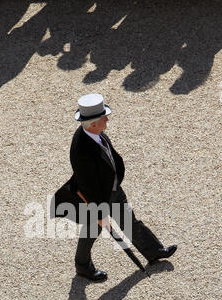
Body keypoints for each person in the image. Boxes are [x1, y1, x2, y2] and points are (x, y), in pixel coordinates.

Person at [52, 93, 177, 281]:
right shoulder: (82, 150)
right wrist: (100, 213)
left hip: (112, 189)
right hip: (96, 197)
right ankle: (82, 266)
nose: (107, 119)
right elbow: (88, 184)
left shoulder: (95, 132)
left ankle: (154, 252)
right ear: (93, 123)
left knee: (129, 220)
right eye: (104, 117)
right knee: (93, 230)